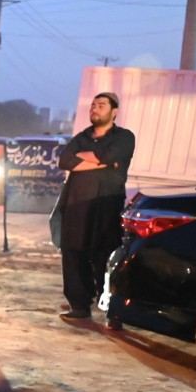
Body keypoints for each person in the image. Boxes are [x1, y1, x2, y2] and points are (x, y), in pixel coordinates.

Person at [57, 92, 135, 321]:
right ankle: (79, 306)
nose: (95, 108)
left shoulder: (124, 137)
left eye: (101, 105)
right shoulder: (82, 137)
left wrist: (84, 159)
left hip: (106, 204)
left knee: (106, 255)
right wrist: (103, 163)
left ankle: (113, 310)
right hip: (76, 204)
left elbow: (111, 155)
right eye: (93, 105)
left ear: (114, 112)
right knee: (73, 253)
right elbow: (65, 160)